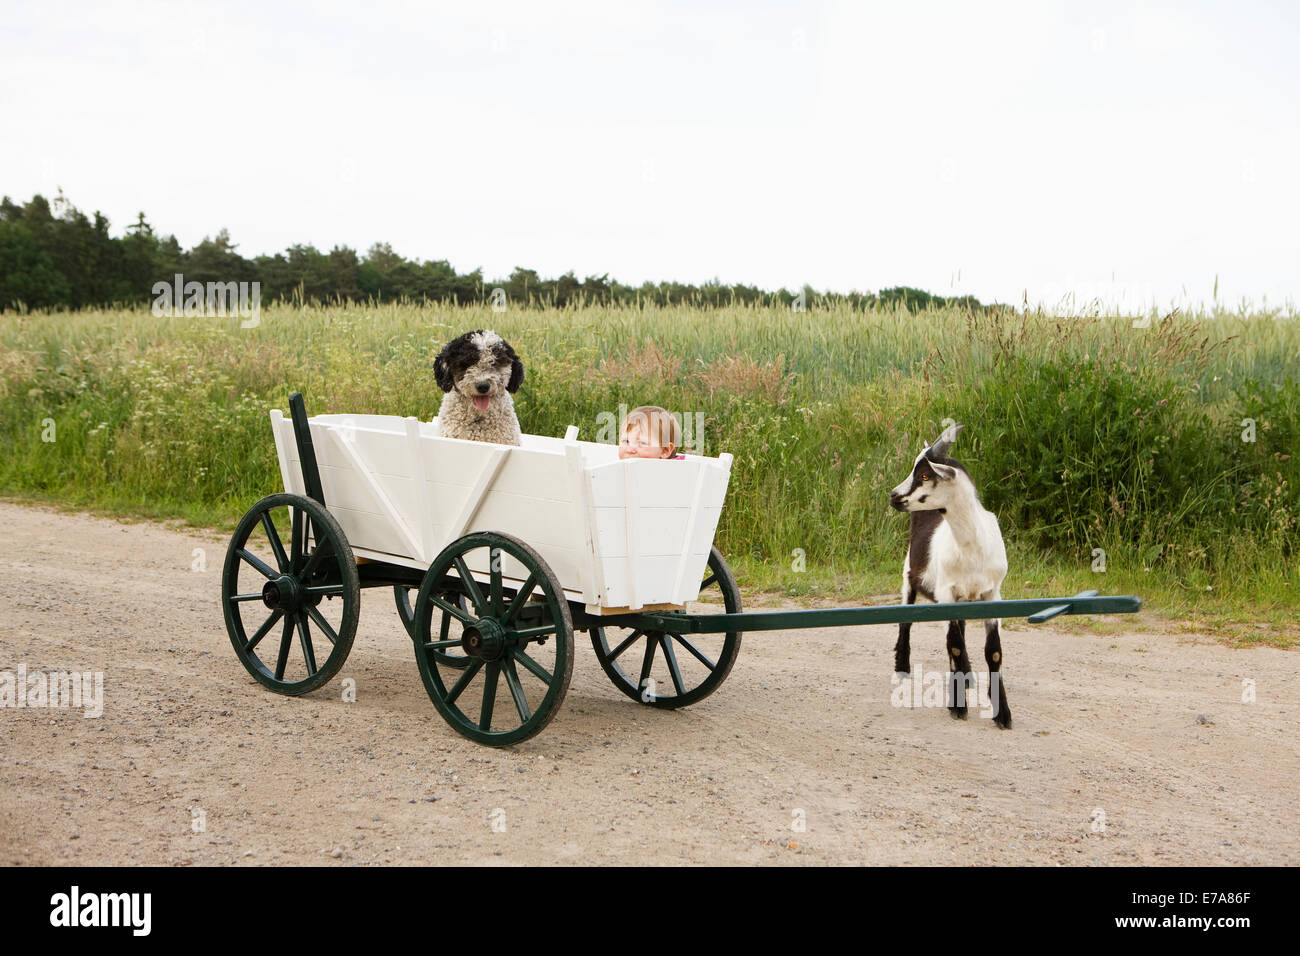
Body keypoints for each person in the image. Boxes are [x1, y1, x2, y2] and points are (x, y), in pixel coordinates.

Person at [618, 405, 685, 460]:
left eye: (641, 443)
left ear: (665, 450)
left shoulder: (669, 474)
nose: (629, 449)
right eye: (626, 441)